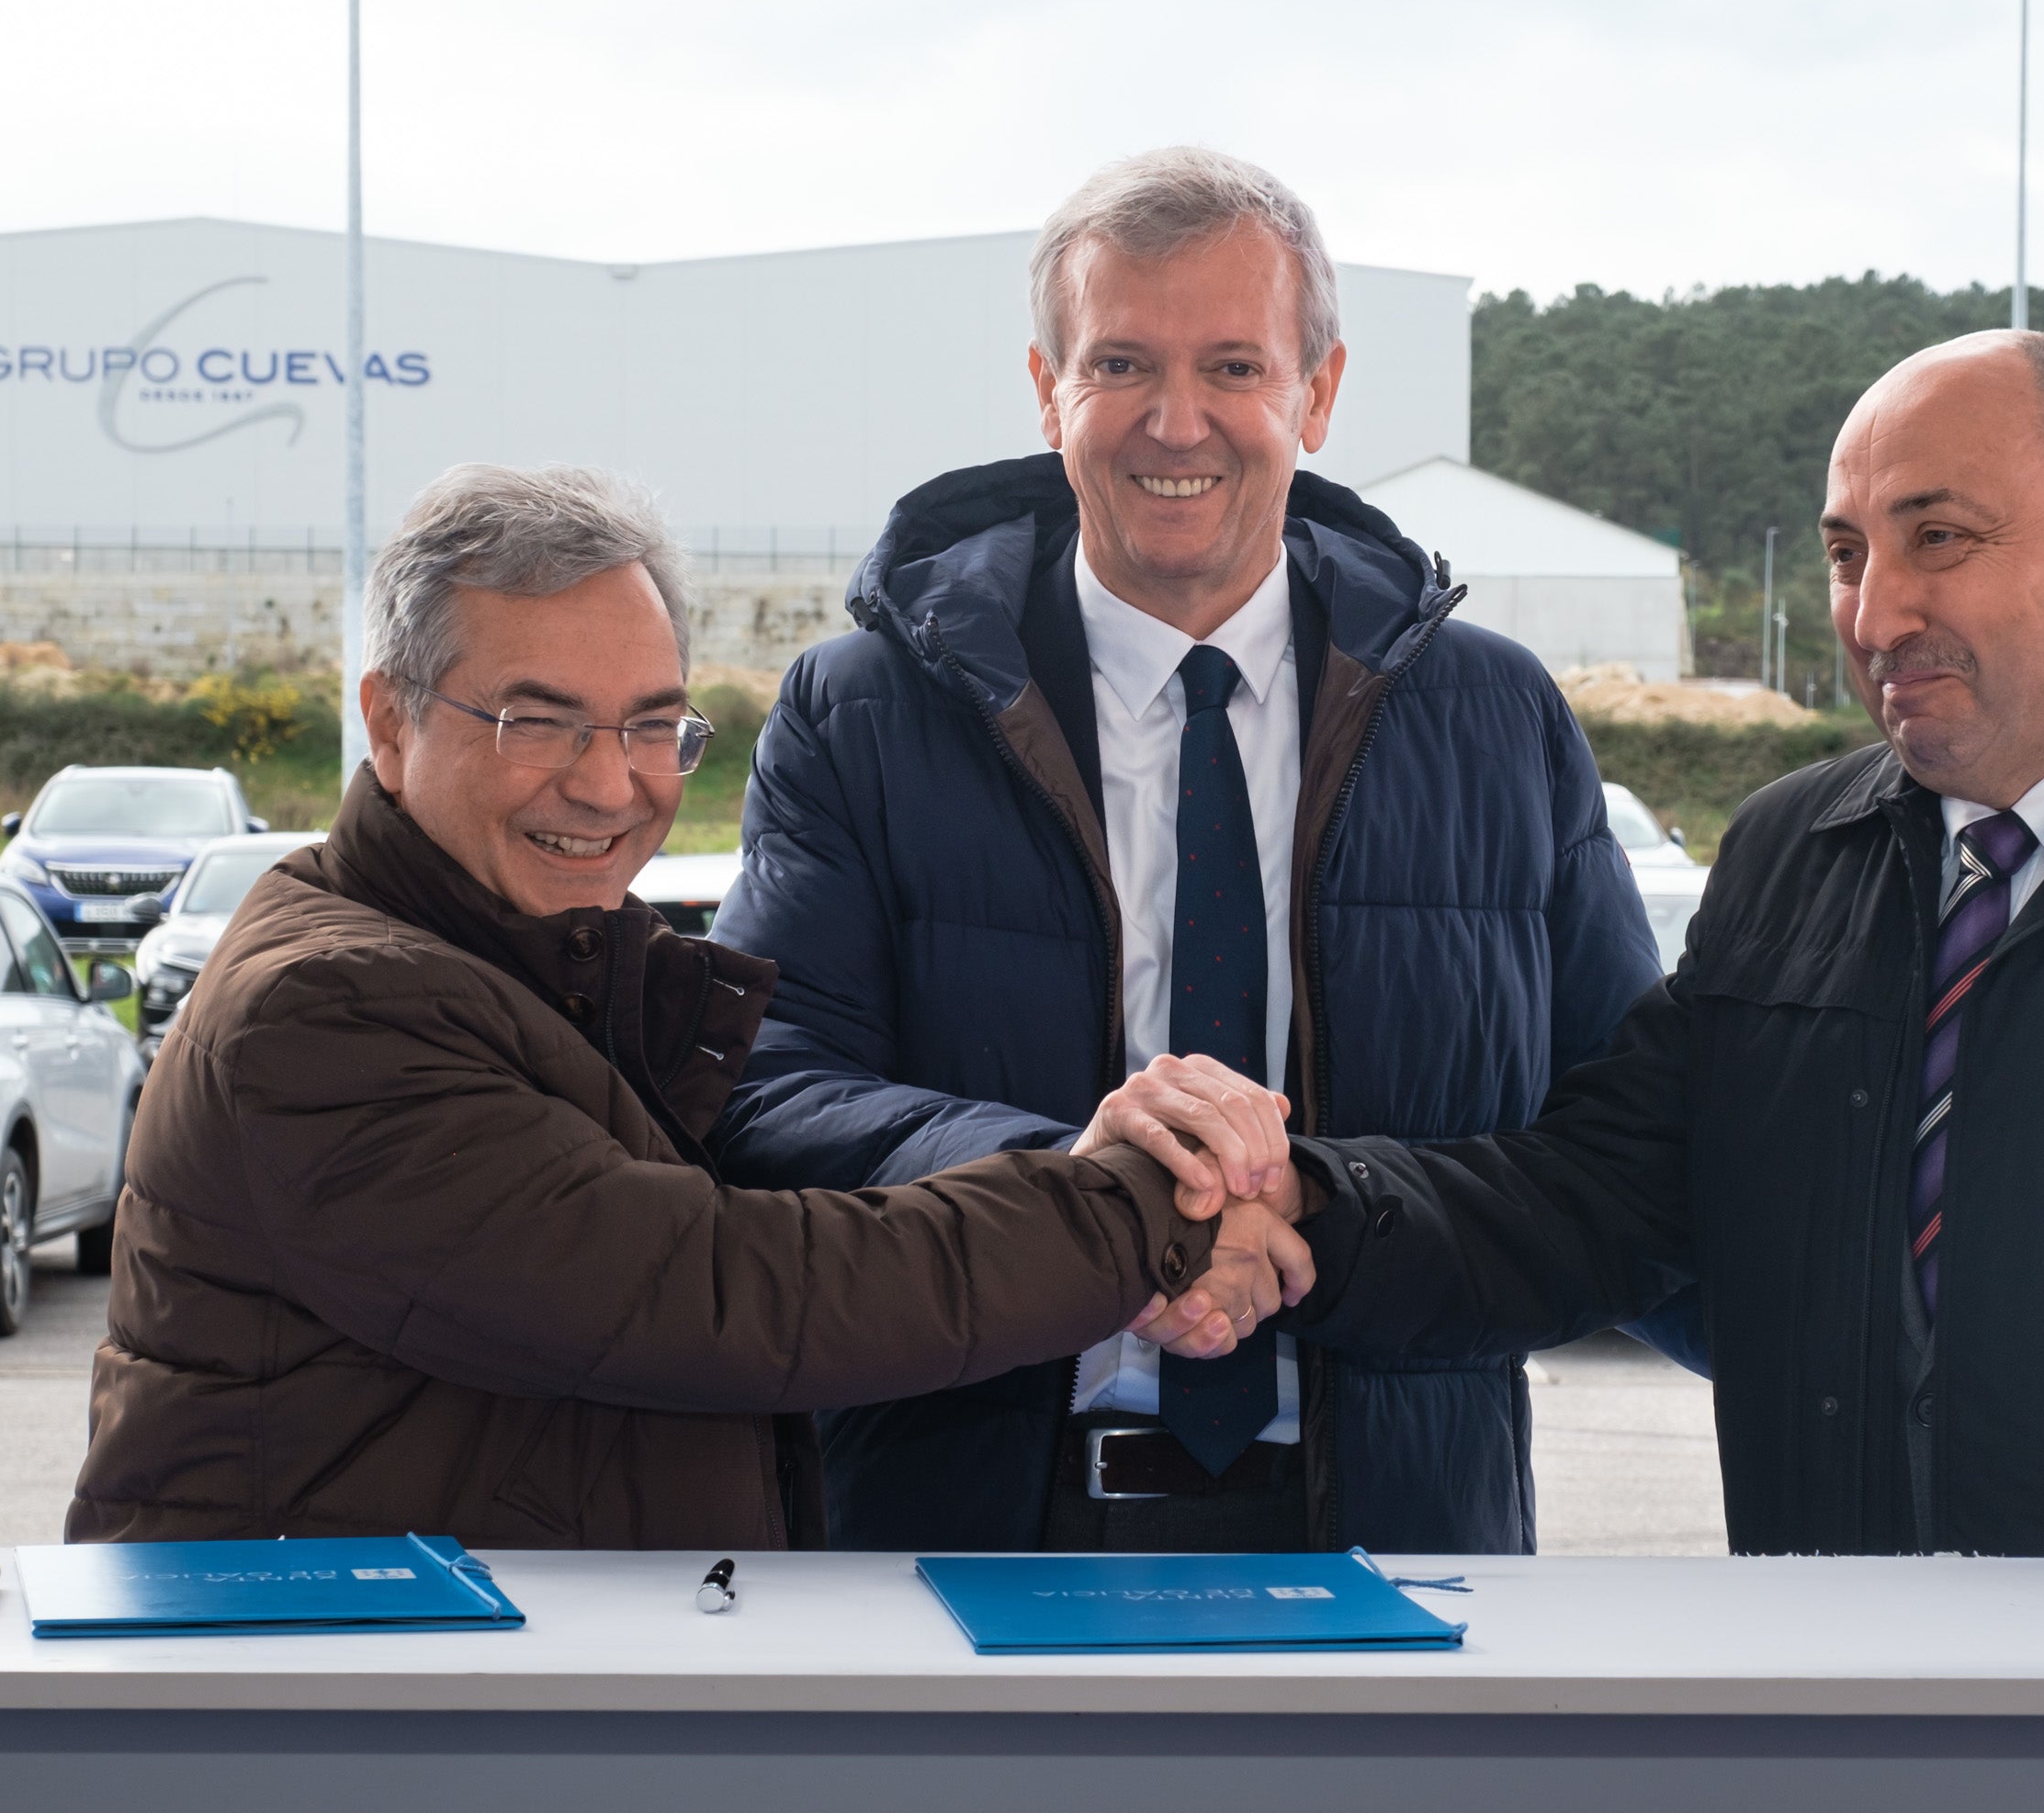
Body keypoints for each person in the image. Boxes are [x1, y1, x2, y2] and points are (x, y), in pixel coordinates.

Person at [1130, 330, 2044, 1559]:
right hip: (1849, 1718)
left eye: (1944, 540)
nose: (1877, 608)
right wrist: (1309, 1215)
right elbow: (1595, 1197)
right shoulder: (1796, 856)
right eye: (1850, 552)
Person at [66, 462, 1307, 1548]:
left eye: (653, 727)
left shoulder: (552, 958)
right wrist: (1138, 1199)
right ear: (388, 722)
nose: (610, 784)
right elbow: (718, 1293)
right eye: (535, 721)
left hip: (456, 1684)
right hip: (314, 1716)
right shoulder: (329, 1010)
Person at [708, 148, 1664, 1555]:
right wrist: (1084, 1191)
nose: (1175, 422)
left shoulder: (1497, 719)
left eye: (1233, 366)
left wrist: (1325, 1212)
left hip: (1404, 1546)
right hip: (960, 1539)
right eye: (1118, 366)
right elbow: (762, 1099)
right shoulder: (859, 713)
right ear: (1047, 391)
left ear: (1317, 395)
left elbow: (1624, 1159)